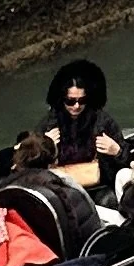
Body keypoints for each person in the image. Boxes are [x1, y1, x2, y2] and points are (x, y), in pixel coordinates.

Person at [41, 60, 126, 190]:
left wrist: (117, 151)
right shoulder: (48, 124)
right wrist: (44, 147)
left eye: (82, 100)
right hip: (61, 190)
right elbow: (29, 168)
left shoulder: (103, 121)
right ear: (61, 99)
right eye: (70, 101)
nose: (76, 106)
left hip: (98, 187)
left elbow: (126, 161)